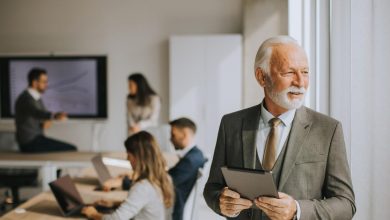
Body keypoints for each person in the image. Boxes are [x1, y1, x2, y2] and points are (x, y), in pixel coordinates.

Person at [203, 36, 356, 220]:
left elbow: (346, 204)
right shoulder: (231, 125)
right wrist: (222, 202)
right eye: (289, 73)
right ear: (261, 77)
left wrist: (297, 210)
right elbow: (212, 188)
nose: (300, 82)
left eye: (305, 72)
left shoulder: (328, 129)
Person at [82, 131, 174, 220]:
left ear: (137, 157)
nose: (127, 159)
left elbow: (116, 219)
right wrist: (115, 203)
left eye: (129, 155)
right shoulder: (165, 178)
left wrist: (93, 214)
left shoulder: (143, 187)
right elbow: (146, 204)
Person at [15, 67, 77, 153]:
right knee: (71, 149)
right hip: (30, 143)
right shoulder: (26, 98)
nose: (46, 84)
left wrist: (46, 120)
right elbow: (36, 112)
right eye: (44, 82)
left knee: (71, 148)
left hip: (37, 139)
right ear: (34, 83)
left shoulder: (36, 97)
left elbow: (42, 122)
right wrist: (53, 116)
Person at [168, 118, 206, 220]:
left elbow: (165, 182)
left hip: (174, 211)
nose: (170, 139)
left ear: (184, 134)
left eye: (173, 134)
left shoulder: (190, 160)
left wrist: (127, 182)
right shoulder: (196, 155)